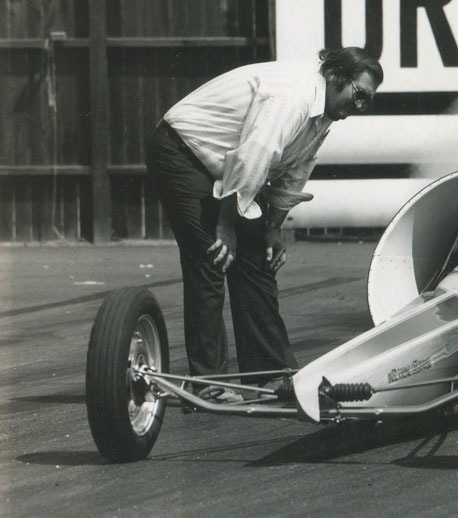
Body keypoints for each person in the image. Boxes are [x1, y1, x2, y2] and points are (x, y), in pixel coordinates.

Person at [145, 47, 384, 402]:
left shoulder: (325, 113)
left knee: (257, 260)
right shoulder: (293, 96)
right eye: (359, 95)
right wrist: (225, 226)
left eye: (368, 102)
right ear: (336, 77)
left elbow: (296, 170)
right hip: (183, 150)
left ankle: (267, 375)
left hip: (225, 166)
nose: (359, 107)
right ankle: (208, 384)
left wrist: (272, 228)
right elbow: (255, 154)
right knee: (213, 255)